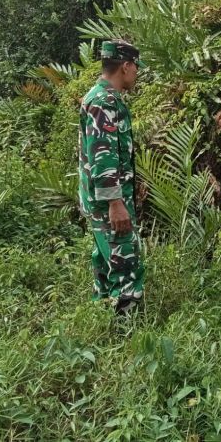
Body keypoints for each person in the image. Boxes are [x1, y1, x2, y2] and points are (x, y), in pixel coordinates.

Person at [78, 40, 145, 315]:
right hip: (109, 200)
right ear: (126, 66)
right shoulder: (103, 101)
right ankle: (127, 333)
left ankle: (103, 320)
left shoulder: (100, 97)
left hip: (103, 198)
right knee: (125, 263)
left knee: (105, 261)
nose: (137, 74)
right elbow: (102, 156)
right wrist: (115, 203)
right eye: (136, 68)